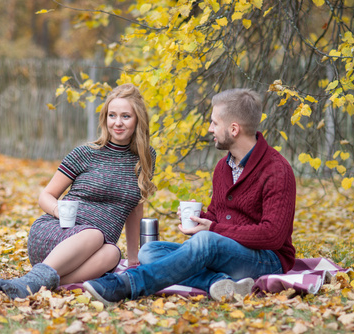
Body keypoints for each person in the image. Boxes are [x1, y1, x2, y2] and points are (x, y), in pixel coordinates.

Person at [83, 88, 296, 304]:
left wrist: (211, 229)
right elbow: (218, 218)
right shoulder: (224, 167)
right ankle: (220, 283)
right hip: (225, 252)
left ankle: (126, 285)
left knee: (205, 241)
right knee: (150, 251)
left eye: (214, 123)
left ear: (234, 129)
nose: (210, 129)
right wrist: (200, 219)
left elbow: (273, 235)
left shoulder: (276, 169)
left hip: (267, 259)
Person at [0, 84, 156, 299]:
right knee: (95, 234)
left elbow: (135, 207)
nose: (117, 122)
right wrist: (60, 212)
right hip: (57, 235)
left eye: (126, 116)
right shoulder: (86, 153)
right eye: (112, 115)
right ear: (105, 118)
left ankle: (28, 285)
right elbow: (45, 196)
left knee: (113, 253)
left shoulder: (146, 158)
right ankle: (32, 280)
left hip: (93, 251)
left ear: (138, 120)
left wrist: (133, 259)